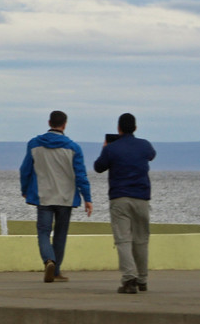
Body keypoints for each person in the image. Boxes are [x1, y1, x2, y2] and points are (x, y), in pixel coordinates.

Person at [20, 110, 92, 283]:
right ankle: (56, 270)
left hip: (43, 196)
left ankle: (48, 260)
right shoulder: (73, 148)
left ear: (49, 122)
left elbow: (25, 169)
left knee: (43, 232)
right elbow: (81, 175)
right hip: (66, 198)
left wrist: (25, 189)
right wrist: (87, 198)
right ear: (64, 125)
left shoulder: (34, 144)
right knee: (60, 234)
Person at [94, 112, 156, 293]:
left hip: (120, 197)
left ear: (118, 128)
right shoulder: (145, 145)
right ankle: (143, 279)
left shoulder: (111, 149)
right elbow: (151, 155)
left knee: (123, 239)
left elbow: (98, 167)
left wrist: (105, 148)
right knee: (141, 239)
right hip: (142, 197)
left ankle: (129, 278)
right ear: (135, 128)